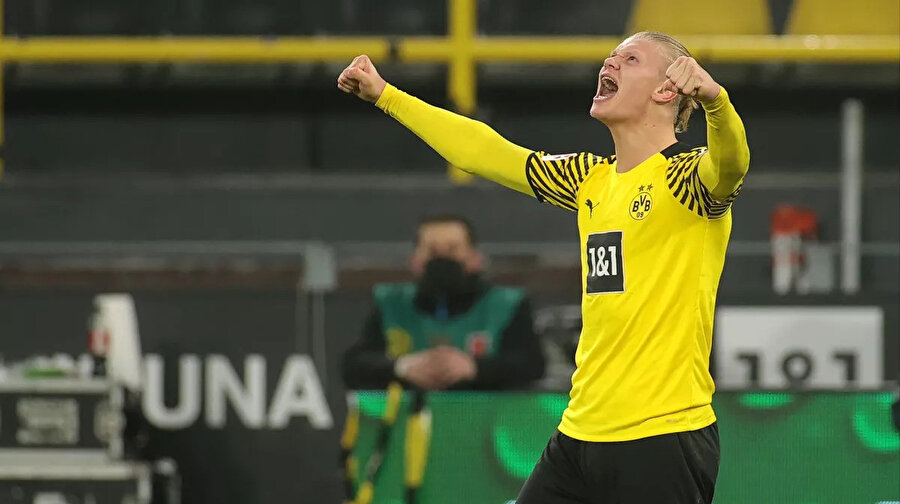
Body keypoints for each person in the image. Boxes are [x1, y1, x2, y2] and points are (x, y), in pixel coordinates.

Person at [337, 29, 750, 503]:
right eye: (610, 57)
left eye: (630, 59)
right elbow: (485, 152)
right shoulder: (590, 179)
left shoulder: (686, 180)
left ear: (666, 90)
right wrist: (387, 96)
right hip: (579, 434)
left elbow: (732, 164)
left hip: (662, 437)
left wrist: (716, 102)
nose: (609, 64)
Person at [342, 214, 545, 391]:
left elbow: (532, 364)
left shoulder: (506, 305)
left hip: (488, 418)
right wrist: (401, 367)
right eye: (432, 251)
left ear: (475, 258)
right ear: (415, 260)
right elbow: (353, 366)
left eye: (453, 250)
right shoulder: (391, 304)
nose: (442, 259)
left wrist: (475, 367)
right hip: (409, 418)